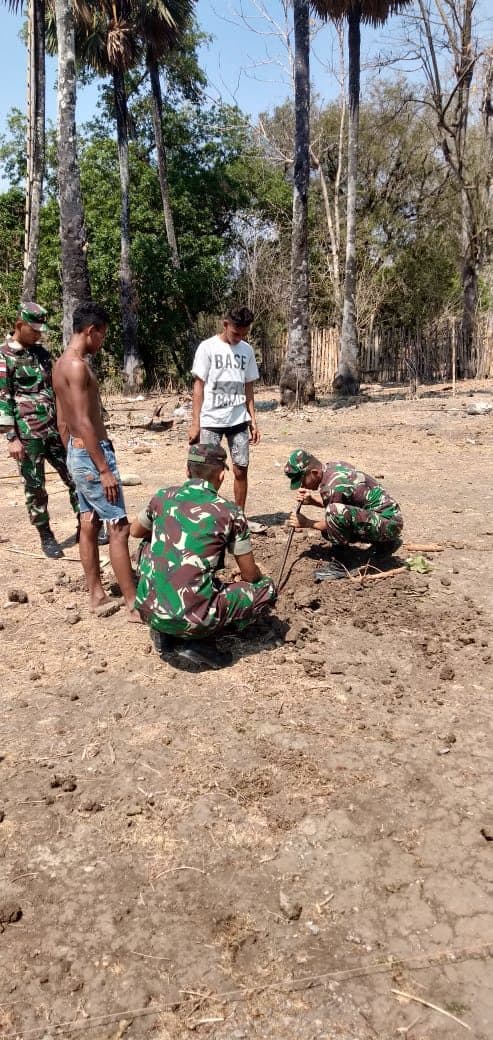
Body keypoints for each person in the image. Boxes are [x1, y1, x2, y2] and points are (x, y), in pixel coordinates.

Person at [130, 442, 277, 668]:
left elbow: (134, 531)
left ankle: (165, 629)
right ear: (221, 476)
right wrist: (260, 580)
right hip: (194, 619)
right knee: (264, 589)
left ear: (187, 471)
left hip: (148, 610)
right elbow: (250, 575)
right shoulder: (230, 511)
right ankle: (198, 641)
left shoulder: (162, 496)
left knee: (149, 543)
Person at [53, 301, 139, 620]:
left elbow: (63, 420)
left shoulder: (60, 364)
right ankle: (133, 604)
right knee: (118, 526)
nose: (102, 341)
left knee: (88, 523)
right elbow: (83, 421)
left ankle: (97, 594)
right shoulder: (76, 366)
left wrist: (72, 453)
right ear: (91, 331)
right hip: (92, 454)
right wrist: (102, 468)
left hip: (78, 452)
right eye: (102, 335)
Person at [0, 302, 79, 558]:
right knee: (35, 487)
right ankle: (46, 536)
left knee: (74, 475)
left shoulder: (41, 354)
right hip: (27, 434)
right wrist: (11, 437)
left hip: (54, 429)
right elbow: (3, 397)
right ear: (20, 325)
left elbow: (54, 388)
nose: (38, 335)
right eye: (34, 330)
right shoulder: (4, 356)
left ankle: (86, 524)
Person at [189, 306, 262, 523]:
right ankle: (206, 517)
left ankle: (238, 517)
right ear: (225, 325)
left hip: (238, 420)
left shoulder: (247, 351)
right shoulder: (207, 348)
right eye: (235, 333)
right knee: (207, 471)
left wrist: (253, 420)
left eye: (244, 334)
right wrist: (196, 423)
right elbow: (198, 386)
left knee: (241, 469)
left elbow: (248, 387)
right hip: (211, 421)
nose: (239, 338)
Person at [284, 449, 403, 551]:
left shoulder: (332, 487)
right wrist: (313, 501)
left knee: (330, 525)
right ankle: (384, 545)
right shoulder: (333, 467)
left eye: (302, 481)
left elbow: (335, 516)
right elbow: (345, 503)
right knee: (330, 527)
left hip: (388, 523)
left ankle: (341, 564)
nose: (302, 486)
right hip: (387, 519)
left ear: (314, 473)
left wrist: (307, 523)